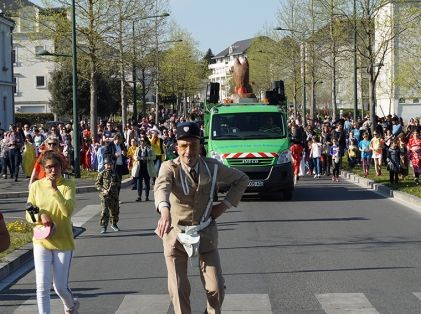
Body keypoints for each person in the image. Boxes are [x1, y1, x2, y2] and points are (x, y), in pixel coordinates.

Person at [154, 121, 249, 314]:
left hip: (205, 232)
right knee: (179, 290)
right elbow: (161, 187)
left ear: (200, 146)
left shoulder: (212, 167)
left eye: (193, 145)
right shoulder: (169, 167)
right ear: (177, 147)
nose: (188, 151)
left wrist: (223, 206)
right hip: (176, 234)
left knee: (216, 289)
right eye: (183, 145)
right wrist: (164, 211)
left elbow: (242, 179)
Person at [25, 151, 79, 314]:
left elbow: (67, 211)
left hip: (63, 241)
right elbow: (29, 210)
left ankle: (71, 306)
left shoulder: (68, 185)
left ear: (61, 166)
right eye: (48, 167)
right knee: (42, 285)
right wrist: (40, 215)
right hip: (41, 240)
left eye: (55, 166)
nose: (52, 170)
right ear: (43, 169)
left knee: (60, 287)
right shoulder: (36, 186)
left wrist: (55, 189)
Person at [96, 157, 120, 233]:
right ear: (104, 165)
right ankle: (103, 226)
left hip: (114, 195)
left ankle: (114, 224)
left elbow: (119, 183)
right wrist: (103, 190)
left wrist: (115, 184)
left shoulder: (115, 173)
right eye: (107, 165)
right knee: (104, 211)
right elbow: (97, 184)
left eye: (110, 165)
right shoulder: (102, 173)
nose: (109, 166)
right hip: (105, 195)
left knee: (114, 211)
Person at [133, 135, 156, 202]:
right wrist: (136, 158)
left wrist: (147, 158)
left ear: (146, 142)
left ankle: (147, 196)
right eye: (140, 141)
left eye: (143, 141)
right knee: (139, 182)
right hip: (139, 167)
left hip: (147, 167)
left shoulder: (150, 148)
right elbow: (134, 156)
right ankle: (139, 196)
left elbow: (154, 157)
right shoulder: (138, 148)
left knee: (147, 182)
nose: (141, 142)